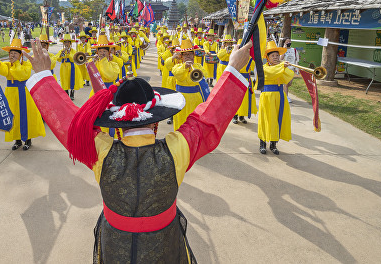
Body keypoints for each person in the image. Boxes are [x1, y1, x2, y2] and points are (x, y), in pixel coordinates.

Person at [22, 38, 253, 263]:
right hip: (165, 243)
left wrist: (44, 75)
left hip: (115, 243)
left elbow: (70, 124)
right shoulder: (176, 150)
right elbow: (207, 120)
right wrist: (232, 68)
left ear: (119, 127)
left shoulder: (101, 153)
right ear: (156, 122)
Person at [0, 38, 45, 151]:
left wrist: (15, 64)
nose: (12, 55)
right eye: (11, 53)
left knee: (26, 116)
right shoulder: (7, 64)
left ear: (20, 55)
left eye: (15, 53)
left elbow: (22, 74)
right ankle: (17, 140)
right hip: (11, 94)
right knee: (13, 116)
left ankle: (28, 140)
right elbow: (3, 71)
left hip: (24, 93)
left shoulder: (26, 65)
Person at [257, 41, 294, 155]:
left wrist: (284, 66)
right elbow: (271, 73)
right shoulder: (264, 68)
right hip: (267, 96)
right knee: (266, 120)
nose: (276, 57)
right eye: (273, 56)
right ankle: (262, 143)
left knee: (278, 119)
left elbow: (288, 76)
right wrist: (282, 66)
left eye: (277, 55)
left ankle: (273, 144)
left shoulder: (280, 67)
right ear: (267, 58)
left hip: (280, 96)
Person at [170, 38, 208, 130]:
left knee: (195, 123)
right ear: (181, 56)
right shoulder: (177, 66)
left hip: (196, 99)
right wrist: (185, 67)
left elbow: (204, 75)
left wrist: (193, 67)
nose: (188, 56)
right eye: (185, 54)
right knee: (181, 121)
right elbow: (178, 75)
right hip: (181, 99)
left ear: (193, 55)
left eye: (190, 54)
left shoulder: (198, 66)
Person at [55, 33, 83, 100]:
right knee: (65, 80)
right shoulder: (61, 51)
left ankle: (72, 92)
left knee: (72, 79)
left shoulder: (73, 51)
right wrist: (62, 54)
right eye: (65, 42)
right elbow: (58, 59)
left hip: (71, 66)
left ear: (70, 43)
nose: (66, 44)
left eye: (68, 42)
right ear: (64, 44)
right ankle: (66, 92)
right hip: (64, 67)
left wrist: (68, 53)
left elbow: (73, 59)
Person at [280, 38, 299, 103]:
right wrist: (284, 49)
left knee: (289, 83)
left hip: (292, 69)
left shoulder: (294, 50)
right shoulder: (282, 50)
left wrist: (297, 69)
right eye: (287, 41)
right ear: (284, 42)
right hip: (285, 69)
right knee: (286, 83)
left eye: (289, 41)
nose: (289, 42)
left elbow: (297, 59)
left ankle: (283, 90)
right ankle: (286, 96)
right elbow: (281, 58)